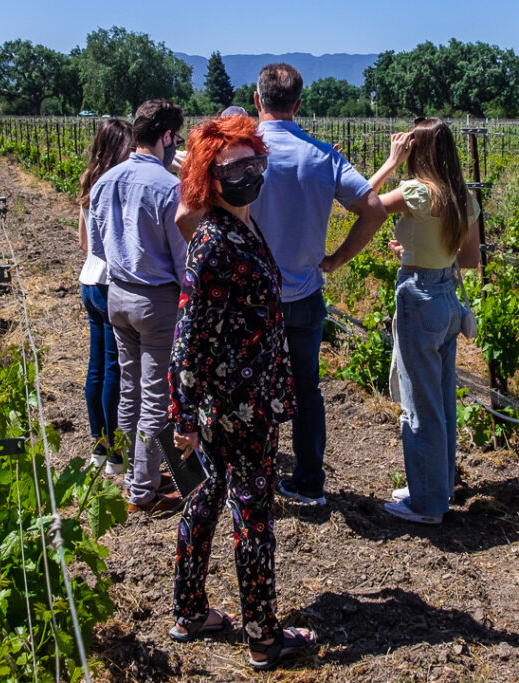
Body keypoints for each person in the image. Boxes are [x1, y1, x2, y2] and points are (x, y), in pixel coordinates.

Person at [176, 63, 387, 506]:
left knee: (246, 390)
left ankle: (248, 480)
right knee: (307, 390)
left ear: (257, 101)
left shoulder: (239, 158)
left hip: (247, 300)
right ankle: (309, 480)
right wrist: (336, 259)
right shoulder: (323, 156)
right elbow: (373, 207)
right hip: (305, 294)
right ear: (299, 104)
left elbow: (188, 218)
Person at [168, 113, 315, 671]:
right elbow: (188, 339)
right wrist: (183, 415)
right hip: (236, 406)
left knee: (206, 496)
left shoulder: (244, 225)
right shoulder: (213, 242)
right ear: (210, 175)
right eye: (235, 167)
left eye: (256, 161)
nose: (250, 173)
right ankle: (262, 636)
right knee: (253, 512)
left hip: (242, 395)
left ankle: (190, 610)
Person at [367, 118, 482, 524]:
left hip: (418, 298)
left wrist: (390, 162)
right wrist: (417, 246)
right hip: (447, 301)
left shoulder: (416, 191)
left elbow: (363, 202)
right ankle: (436, 485)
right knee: (442, 401)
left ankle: (427, 505)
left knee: (420, 404)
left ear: (420, 150)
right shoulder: (463, 197)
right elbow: (468, 260)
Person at [88, 99, 188, 513]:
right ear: (166, 136)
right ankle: (144, 492)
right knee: (154, 398)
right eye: (176, 138)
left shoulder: (104, 181)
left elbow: (96, 248)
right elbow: (184, 260)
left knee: (128, 393)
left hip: (117, 296)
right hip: (157, 302)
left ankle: (132, 475)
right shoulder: (169, 187)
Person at [78, 119, 133, 472]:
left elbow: (84, 242)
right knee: (115, 368)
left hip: (89, 280)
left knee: (97, 366)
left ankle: (99, 446)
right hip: (111, 283)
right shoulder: (117, 185)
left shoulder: (88, 180)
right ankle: (116, 452)